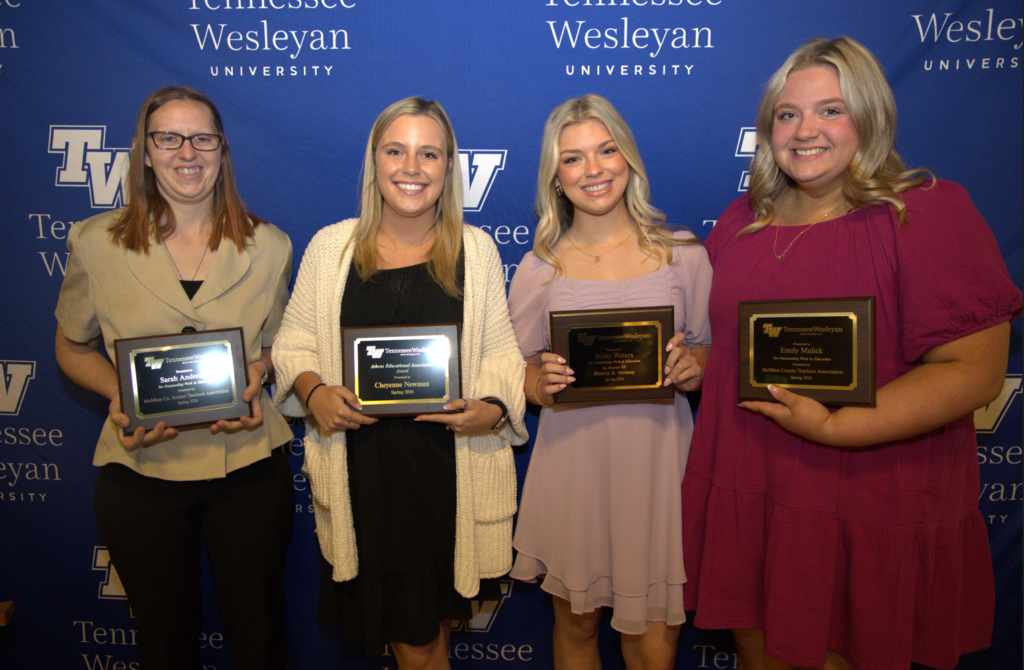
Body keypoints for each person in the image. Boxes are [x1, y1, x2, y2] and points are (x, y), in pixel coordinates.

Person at [681, 37, 1022, 670]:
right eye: (788, 115)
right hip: (750, 484)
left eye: (830, 110)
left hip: (863, 490)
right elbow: (731, 350)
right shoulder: (740, 222)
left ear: (868, 116)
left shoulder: (925, 212)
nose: (805, 130)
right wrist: (693, 364)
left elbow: (973, 371)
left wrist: (839, 426)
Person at [271, 97, 527, 669]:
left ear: (447, 167)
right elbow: (292, 347)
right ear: (374, 162)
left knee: (421, 636)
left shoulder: (477, 250)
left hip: (446, 477)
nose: (411, 167)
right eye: (396, 150)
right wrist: (314, 393)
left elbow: (502, 355)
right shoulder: (330, 248)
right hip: (364, 476)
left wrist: (491, 408)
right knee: (414, 638)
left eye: (428, 153)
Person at [54, 86, 295, 669]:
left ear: (222, 150)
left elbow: (280, 348)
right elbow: (70, 343)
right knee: (163, 643)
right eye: (169, 137)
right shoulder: (94, 242)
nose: (187, 152)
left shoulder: (270, 246)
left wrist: (259, 371)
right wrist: (121, 393)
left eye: (202, 138)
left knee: (259, 637)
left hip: (246, 468)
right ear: (144, 150)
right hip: (140, 470)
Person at [508, 94, 712, 670]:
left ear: (630, 159)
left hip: (658, 468)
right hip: (574, 465)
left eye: (606, 150)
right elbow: (511, 373)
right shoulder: (539, 266)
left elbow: (713, 350)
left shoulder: (684, 254)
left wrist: (697, 365)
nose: (593, 170)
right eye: (573, 159)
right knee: (575, 625)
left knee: (654, 639)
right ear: (555, 176)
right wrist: (537, 382)